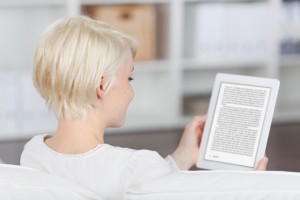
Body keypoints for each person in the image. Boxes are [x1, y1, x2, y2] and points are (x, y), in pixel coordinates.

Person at [20, 16, 268, 200]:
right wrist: (248, 186)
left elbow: (143, 187)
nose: (130, 92)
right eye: (129, 78)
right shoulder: (134, 166)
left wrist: (181, 158)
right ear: (102, 86)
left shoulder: (32, 153)